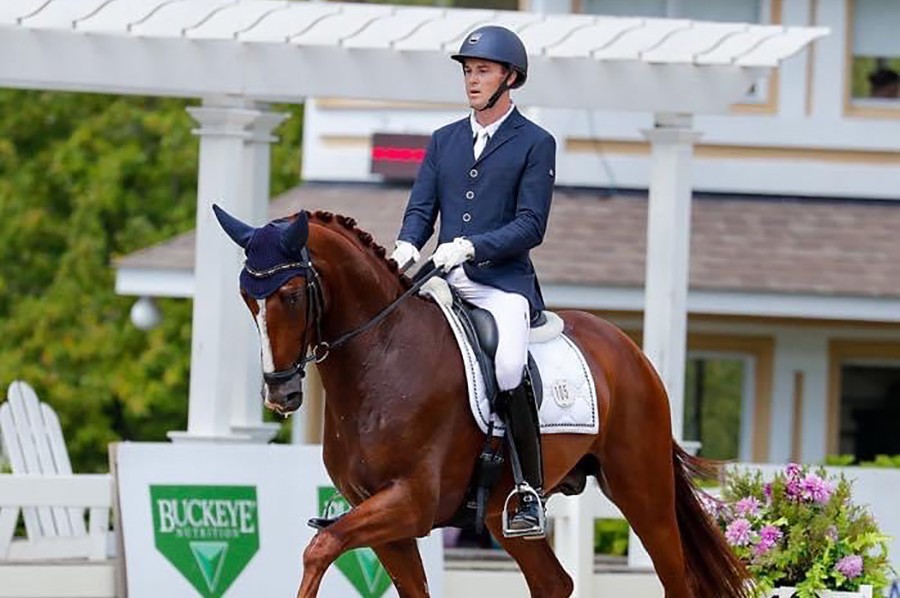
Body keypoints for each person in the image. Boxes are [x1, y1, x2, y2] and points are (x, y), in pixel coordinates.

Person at [390, 25, 557, 538]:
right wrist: (403, 247)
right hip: (442, 277)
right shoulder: (444, 141)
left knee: (507, 365)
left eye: (482, 70)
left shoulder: (535, 143)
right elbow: (422, 210)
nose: (472, 80)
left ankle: (527, 489)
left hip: (501, 282)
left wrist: (474, 246)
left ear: (511, 77)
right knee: (391, 348)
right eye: (468, 71)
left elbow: (532, 224)